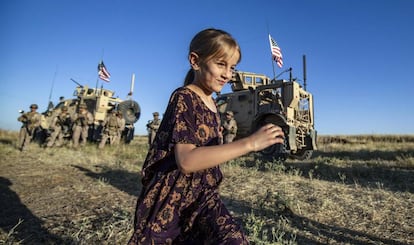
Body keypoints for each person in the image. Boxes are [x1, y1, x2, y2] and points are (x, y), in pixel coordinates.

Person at [128, 28, 285, 244]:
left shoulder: (213, 105)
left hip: (203, 198)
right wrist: (249, 143)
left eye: (232, 67)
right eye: (221, 64)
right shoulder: (184, 97)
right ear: (195, 60)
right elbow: (187, 161)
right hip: (172, 203)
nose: (227, 74)